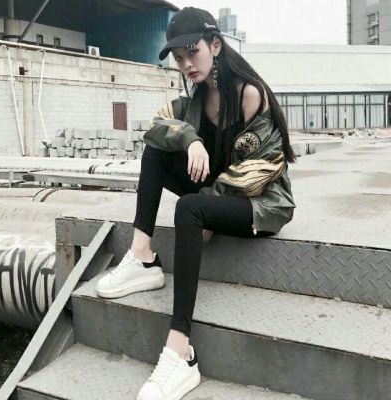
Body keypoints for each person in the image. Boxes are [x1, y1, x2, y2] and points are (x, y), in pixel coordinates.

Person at [96, 6, 296, 400]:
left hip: (260, 205)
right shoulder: (196, 98)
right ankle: (143, 257)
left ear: (215, 46)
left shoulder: (249, 94)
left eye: (193, 52)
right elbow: (156, 128)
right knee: (156, 151)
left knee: (189, 209)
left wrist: (207, 206)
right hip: (217, 196)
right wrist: (191, 139)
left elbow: (262, 169)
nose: (187, 64)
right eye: (179, 57)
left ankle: (179, 351)